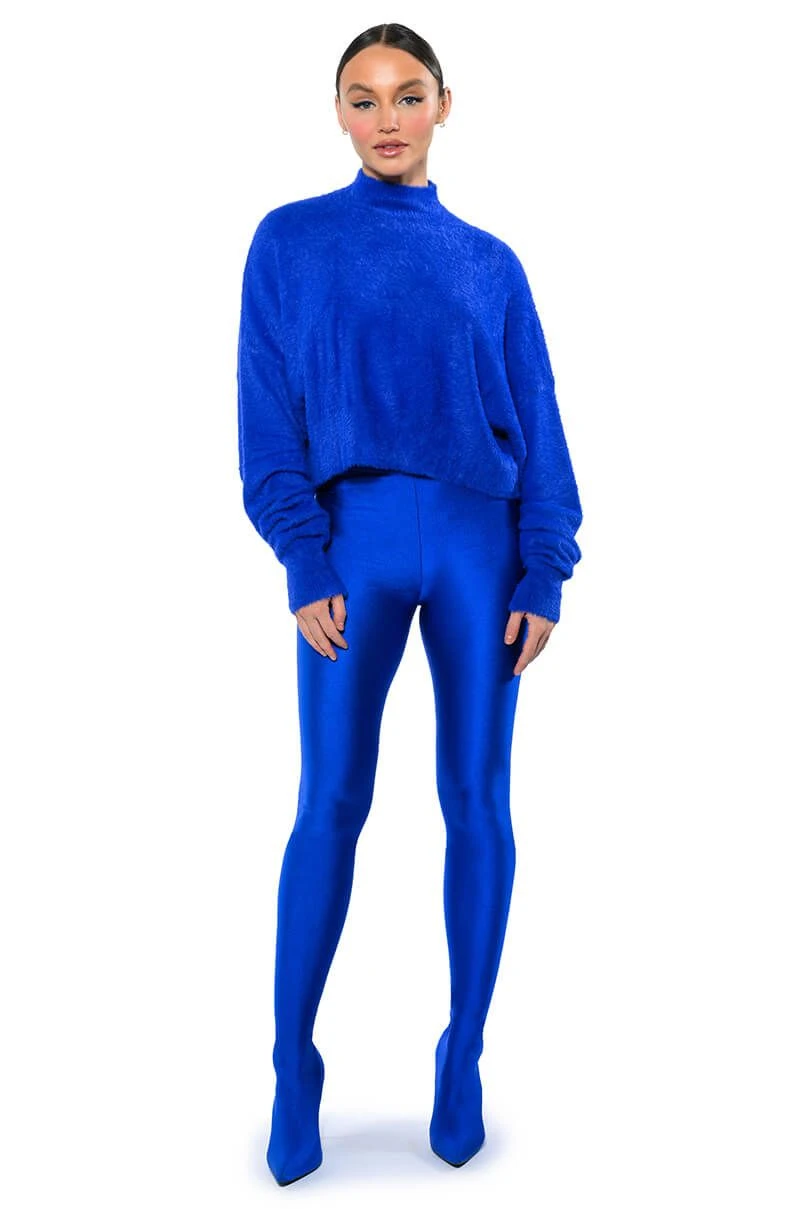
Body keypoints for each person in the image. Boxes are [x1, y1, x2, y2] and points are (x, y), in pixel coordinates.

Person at [236, 22, 583, 1187]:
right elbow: (264, 413)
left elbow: (539, 418)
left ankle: (461, 1054)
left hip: (483, 546)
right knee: (329, 801)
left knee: (476, 801)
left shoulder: (490, 262)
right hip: (354, 542)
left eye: (405, 95)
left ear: (443, 105)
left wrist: (543, 566)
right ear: (337, 113)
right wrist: (302, 557)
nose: (385, 118)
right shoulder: (289, 241)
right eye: (362, 97)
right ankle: (292, 1064)